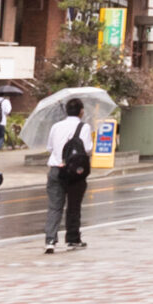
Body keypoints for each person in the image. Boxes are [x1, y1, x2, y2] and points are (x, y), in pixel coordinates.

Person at [42, 96, 92, 254]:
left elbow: (50, 147)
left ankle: (50, 240)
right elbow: (88, 149)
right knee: (73, 206)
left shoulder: (56, 126)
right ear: (81, 112)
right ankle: (72, 239)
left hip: (56, 169)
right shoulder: (84, 127)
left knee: (54, 207)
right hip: (75, 172)